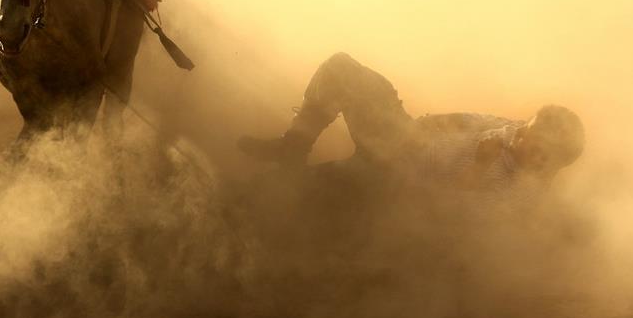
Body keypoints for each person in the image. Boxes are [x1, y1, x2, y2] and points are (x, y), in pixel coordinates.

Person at [238, 53, 585, 187]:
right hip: (407, 137)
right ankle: (293, 146)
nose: (519, 133)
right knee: (343, 70)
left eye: (532, 140)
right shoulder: (517, 133)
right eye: (527, 125)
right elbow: (479, 120)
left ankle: (289, 156)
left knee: (288, 193)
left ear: (549, 161)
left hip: (402, 170)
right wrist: (441, 123)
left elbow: (457, 215)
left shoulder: (519, 192)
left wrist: (480, 165)